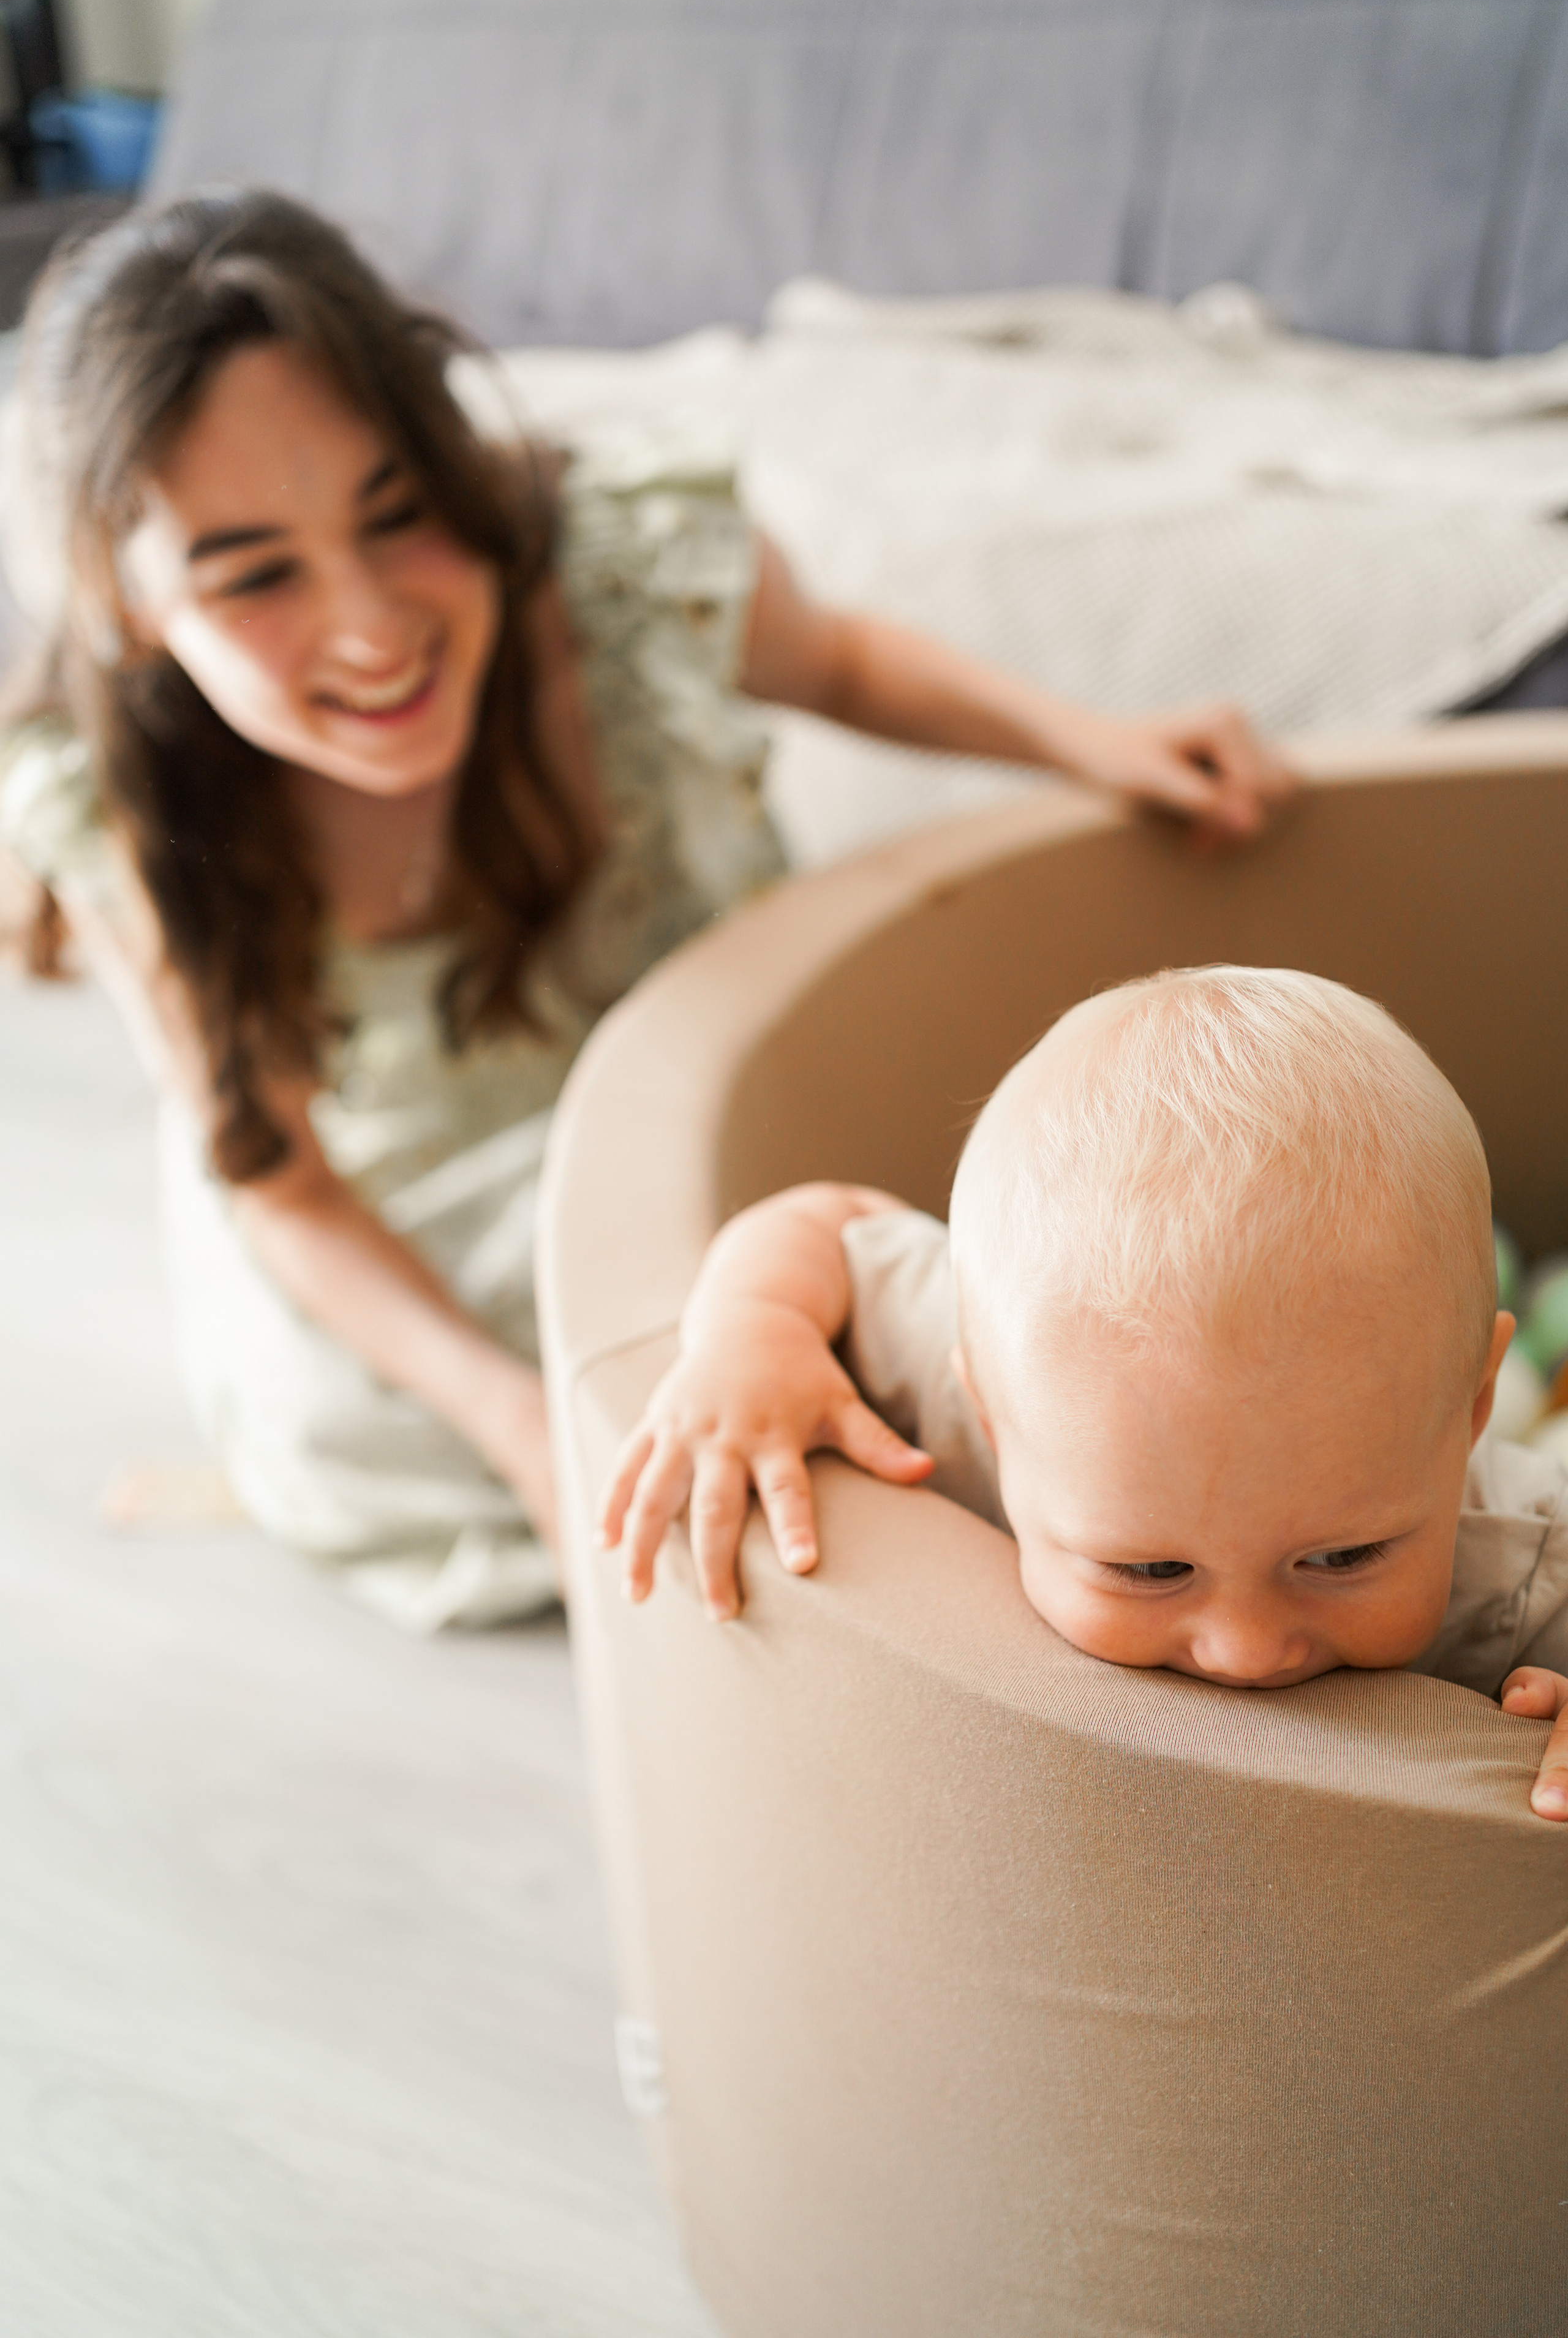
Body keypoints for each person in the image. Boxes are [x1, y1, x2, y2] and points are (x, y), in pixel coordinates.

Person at [0, 190, 1294, 1631]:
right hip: (425, 1243)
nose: (369, 628)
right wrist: (518, 1428)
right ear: (128, 607)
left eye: (399, 512)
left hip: (718, 1131)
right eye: (254, 576)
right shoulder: (121, 805)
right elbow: (279, 1179)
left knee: (911, 1322)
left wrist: (1087, 740)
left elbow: (847, 662)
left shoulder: (610, 575)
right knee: (404, 1434)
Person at [599, 966, 1568, 1818]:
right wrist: (754, 1328)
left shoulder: (1527, 1554)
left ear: (1474, 1404)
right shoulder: (1014, 1357)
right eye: (1151, 1571)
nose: (1246, 1649)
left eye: (1342, 1556)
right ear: (982, 1400)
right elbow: (831, 1221)